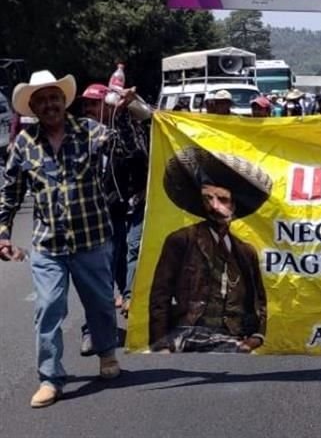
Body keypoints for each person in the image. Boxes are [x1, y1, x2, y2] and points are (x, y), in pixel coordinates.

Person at [0, 70, 138, 408]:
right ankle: (50, 378)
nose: (49, 105)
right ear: (32, 107)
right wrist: (2, 232)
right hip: (49, 245)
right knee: (47, 308)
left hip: (92, 239)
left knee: (101, 305)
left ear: (65, 101)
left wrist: (128, 112)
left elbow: (126, 149)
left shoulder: (89, 131)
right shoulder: (24, 144)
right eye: (42, 100)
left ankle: (107, 354)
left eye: (54, 98)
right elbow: (10, 194)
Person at [149, 146, 271, 353]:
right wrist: (161, 343)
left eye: (222, 200)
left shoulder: (245, 252)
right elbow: (160, 296)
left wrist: (256, 337)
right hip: (186, 335)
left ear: (234, 206)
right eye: (208, 198)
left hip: (232, 338)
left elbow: (258, 300)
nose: (215, 206)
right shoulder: (181, 240)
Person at [78, 83, 150, 329]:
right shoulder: (79, 134)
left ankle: (129, 298)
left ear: (108, 106)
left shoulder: (123, 130)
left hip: (131, 203)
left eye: (94, 104)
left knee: (129, 250)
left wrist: (121, 113)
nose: (89, 109)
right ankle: (97, 324)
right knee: (106, 263)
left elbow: (132, 151)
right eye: (85, 104)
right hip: (98, 211)